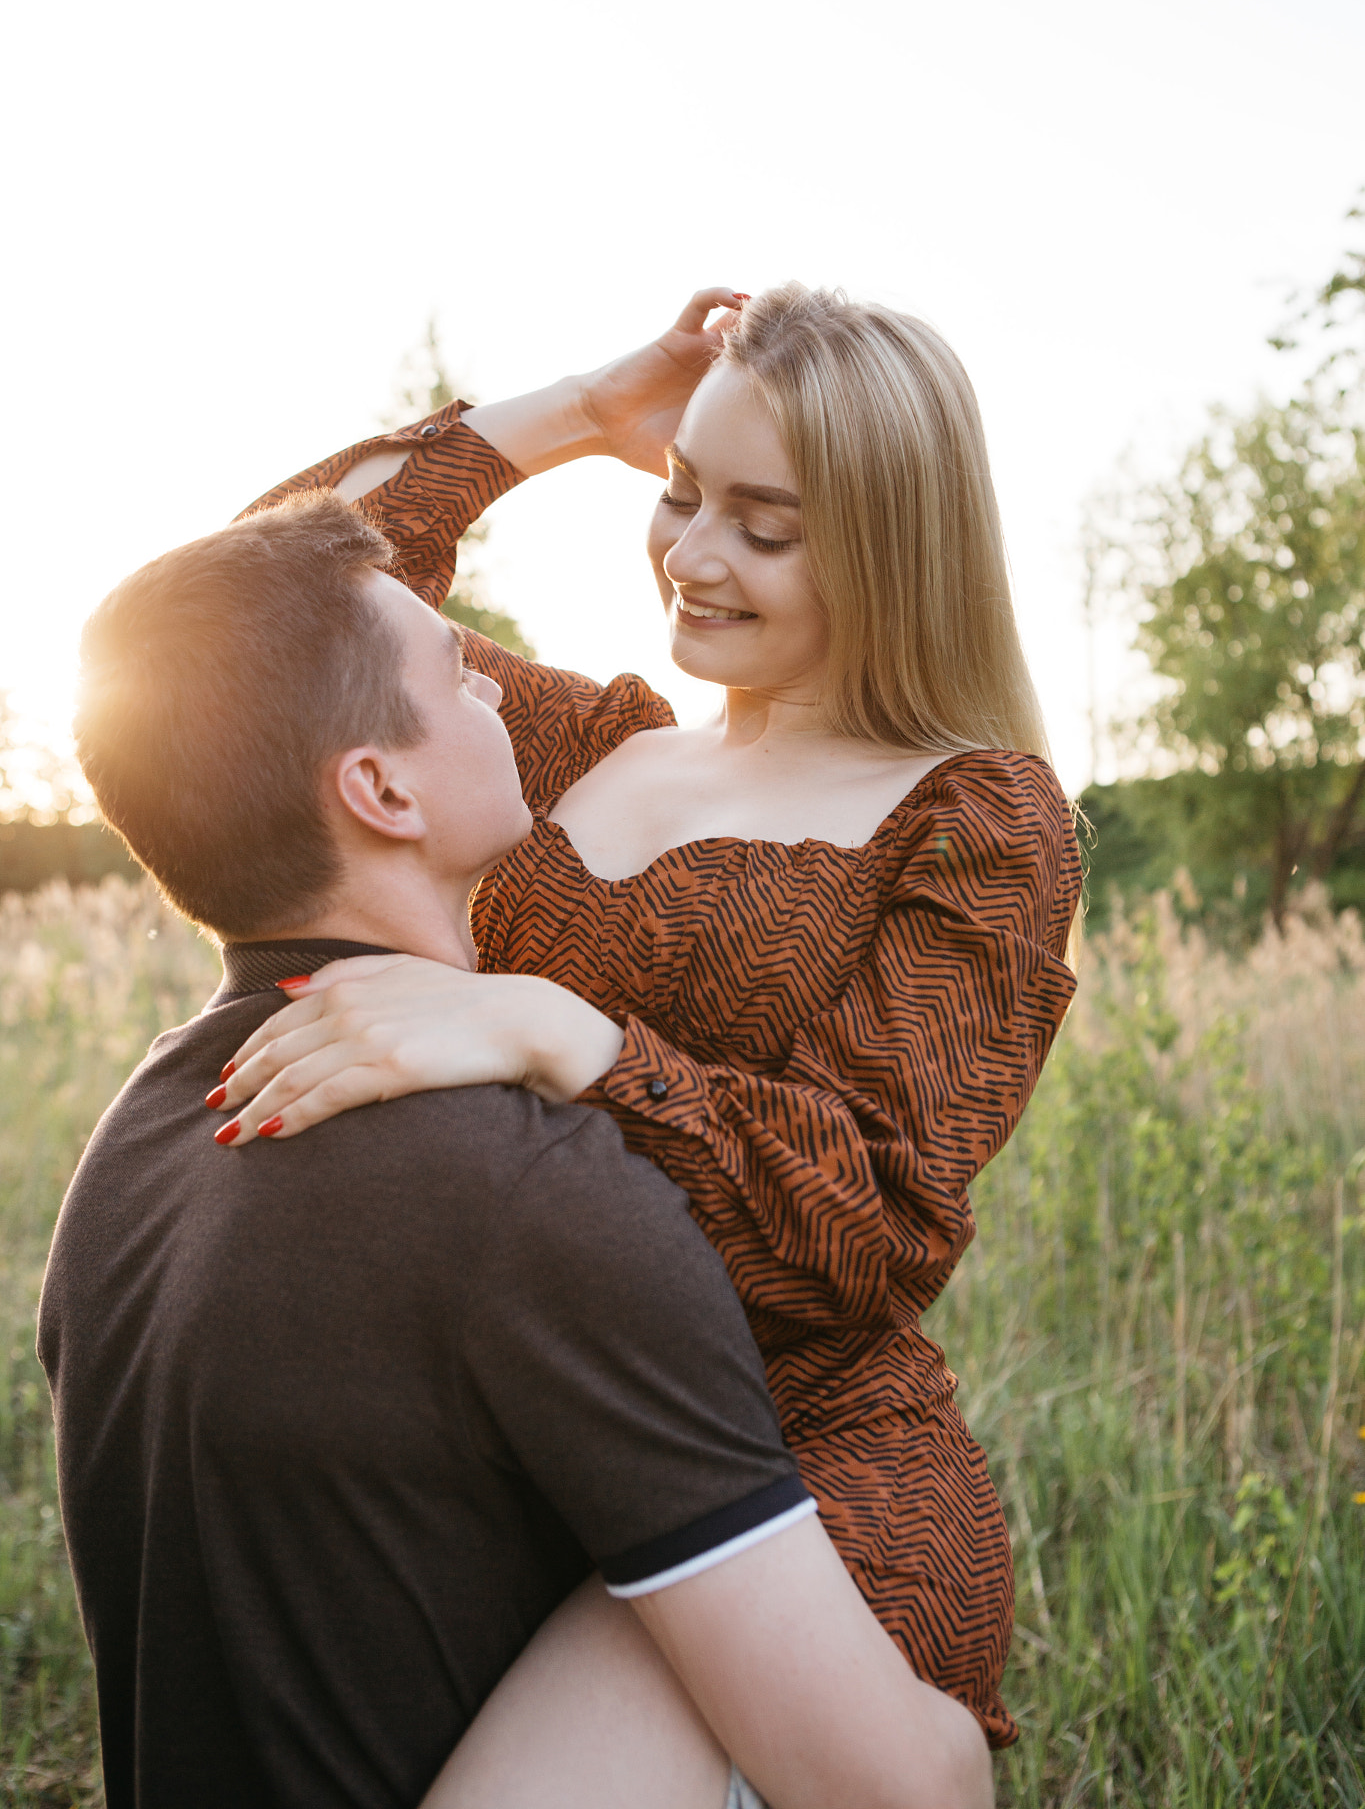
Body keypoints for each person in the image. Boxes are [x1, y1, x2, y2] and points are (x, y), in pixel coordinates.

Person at [220, 282, 1084, 1751]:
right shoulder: (577, 744)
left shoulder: (975, 816)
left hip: (792, 1483)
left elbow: (876, 1227)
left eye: (764, 522)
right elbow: (258, 600)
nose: (689, 554)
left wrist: (569, 1034)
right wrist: (576, 413)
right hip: (518, 1442)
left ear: (889, 542)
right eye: (682, 494)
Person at [40, 493, 992, 1809]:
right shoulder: (536, 1192)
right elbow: (895, 1791)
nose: (498, 693)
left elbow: (202, 639)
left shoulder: (137, 1142)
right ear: (378, 787)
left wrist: (581, 409)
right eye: (459, 674)